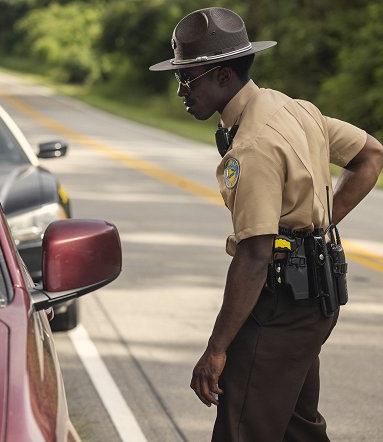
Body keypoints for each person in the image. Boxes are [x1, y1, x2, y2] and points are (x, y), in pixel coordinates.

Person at [149, 7, 383, 441]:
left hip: (282, 306)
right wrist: (318, 225)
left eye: (189, 77)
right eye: (179, 76)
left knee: (243, 430)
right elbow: (371, 154)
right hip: (314, 298)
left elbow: (255, 255)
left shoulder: (253, 145)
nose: (181, 89)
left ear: (222, 76)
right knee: (297, 429)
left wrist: (215, 350)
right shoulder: (294, 109)